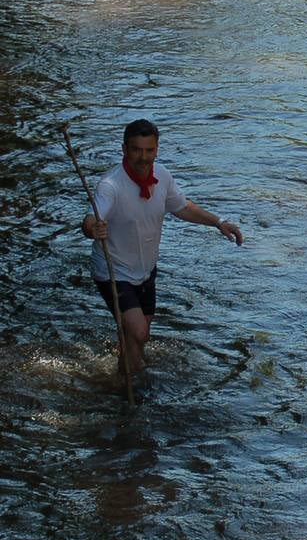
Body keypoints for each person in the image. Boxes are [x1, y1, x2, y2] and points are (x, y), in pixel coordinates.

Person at [80, 119, 244, 376]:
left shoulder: (163, 176)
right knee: (139, 331)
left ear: (156, 150)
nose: (143, 157)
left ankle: (124, 379)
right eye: (136, 150)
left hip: (146, 271)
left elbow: (182, 207)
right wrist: (93, 229)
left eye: (149, 150)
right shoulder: (111, 185)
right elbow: (91, 219)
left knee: (138, 337)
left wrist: (218, 223)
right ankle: (135, 379)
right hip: (114, 271)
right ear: (124, 149)